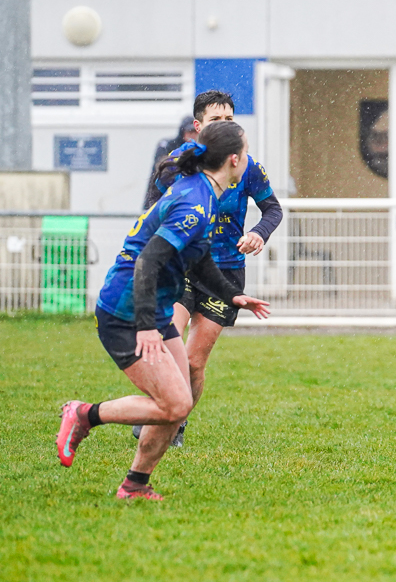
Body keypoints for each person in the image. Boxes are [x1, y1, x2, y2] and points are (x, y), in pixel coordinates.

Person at [55, 121, 270, 500]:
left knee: (178, 402)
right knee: (175, 403)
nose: (249, 157)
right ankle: (84, 414)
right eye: (246, 150)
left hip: (150, 308)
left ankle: (135, 485)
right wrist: (145, 327)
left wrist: (231, 294)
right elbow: (147, 263)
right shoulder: (194, 203)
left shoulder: (204, 191)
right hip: (125, 313)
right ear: (234, 160)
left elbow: (198, 257)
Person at [134, 90, 283, 446]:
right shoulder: (178, 164)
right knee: (168, 343)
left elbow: (273, 209)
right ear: (198, 126)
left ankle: (176, 422)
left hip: (226, 271)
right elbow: (153, 207)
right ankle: (158, 408)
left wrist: (258, 233)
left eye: (230, 119)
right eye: (217, 120)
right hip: (183, 266)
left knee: (193, 362)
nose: (225, 125)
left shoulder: (246, 165)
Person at [143, 116, 198, 210]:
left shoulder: (199, 149)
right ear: (182, 132)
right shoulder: (168, 146)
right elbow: (160, 169)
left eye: (195, 132)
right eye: (189, 131)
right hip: (163, 192)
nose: (192, 135)